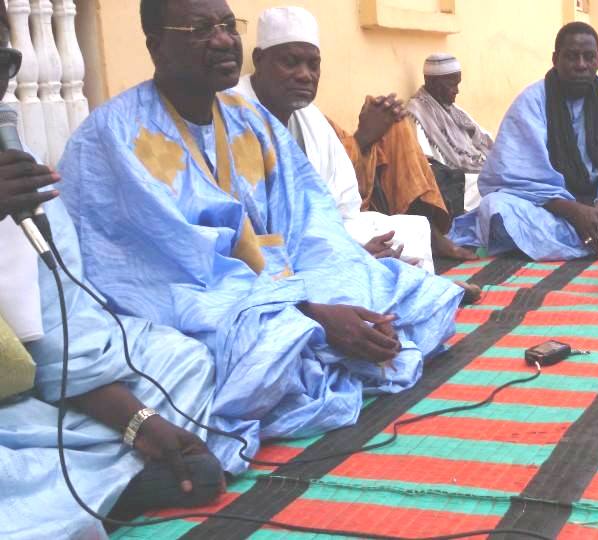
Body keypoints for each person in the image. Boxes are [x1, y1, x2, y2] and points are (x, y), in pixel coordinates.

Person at [57, 0, 463, 476]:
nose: (225, 40)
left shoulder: (252, 120)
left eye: (230, 27)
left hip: (287, 284)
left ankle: (337, 340)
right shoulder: (112, 137)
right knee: (272, 341)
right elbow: (167, 274)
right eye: (201, 29)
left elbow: (313, 225)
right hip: (204, 302)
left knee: (418, 292)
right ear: (157, 46)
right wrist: (308, 311)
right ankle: (324, 346)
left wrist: (333, 292)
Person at [0, 13, 230, 536]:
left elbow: (62, 328)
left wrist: (139, 421)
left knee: (182, 360)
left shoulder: (14, 166)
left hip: (32, 389)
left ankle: (95, 482)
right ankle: (107, 486)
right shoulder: (115, 127)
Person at [235, 6, 434, 272]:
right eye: (290, 62)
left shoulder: (310, 116)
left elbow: (345, 201)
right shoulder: (233, 113)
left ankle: (399, 281)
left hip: (321, 232)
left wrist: (347, 243)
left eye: (313, 64)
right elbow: (250, 226)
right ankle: (391, 283)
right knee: (372, 258)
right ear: (259, 60)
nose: (305, 74)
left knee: (409, 230)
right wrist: (350, 253)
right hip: (268, 249)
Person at [448, 22, 598, 261]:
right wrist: (573, 211)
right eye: (572, 57)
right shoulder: (532, 101)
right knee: (496, 207)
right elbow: (515, 175)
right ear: (555, 59)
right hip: (553, 208)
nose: (581, 65)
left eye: (588, 57)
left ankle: (594, 232)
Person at [408, 53, 493, 212]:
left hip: (473, 172)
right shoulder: (416, 114)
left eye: (458, 84)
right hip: (452, 183)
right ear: (432, 82)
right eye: (452, 85)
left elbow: (485, 139)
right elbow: (431, 164)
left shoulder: (454, 110)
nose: (457, 90)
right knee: (495, 187)